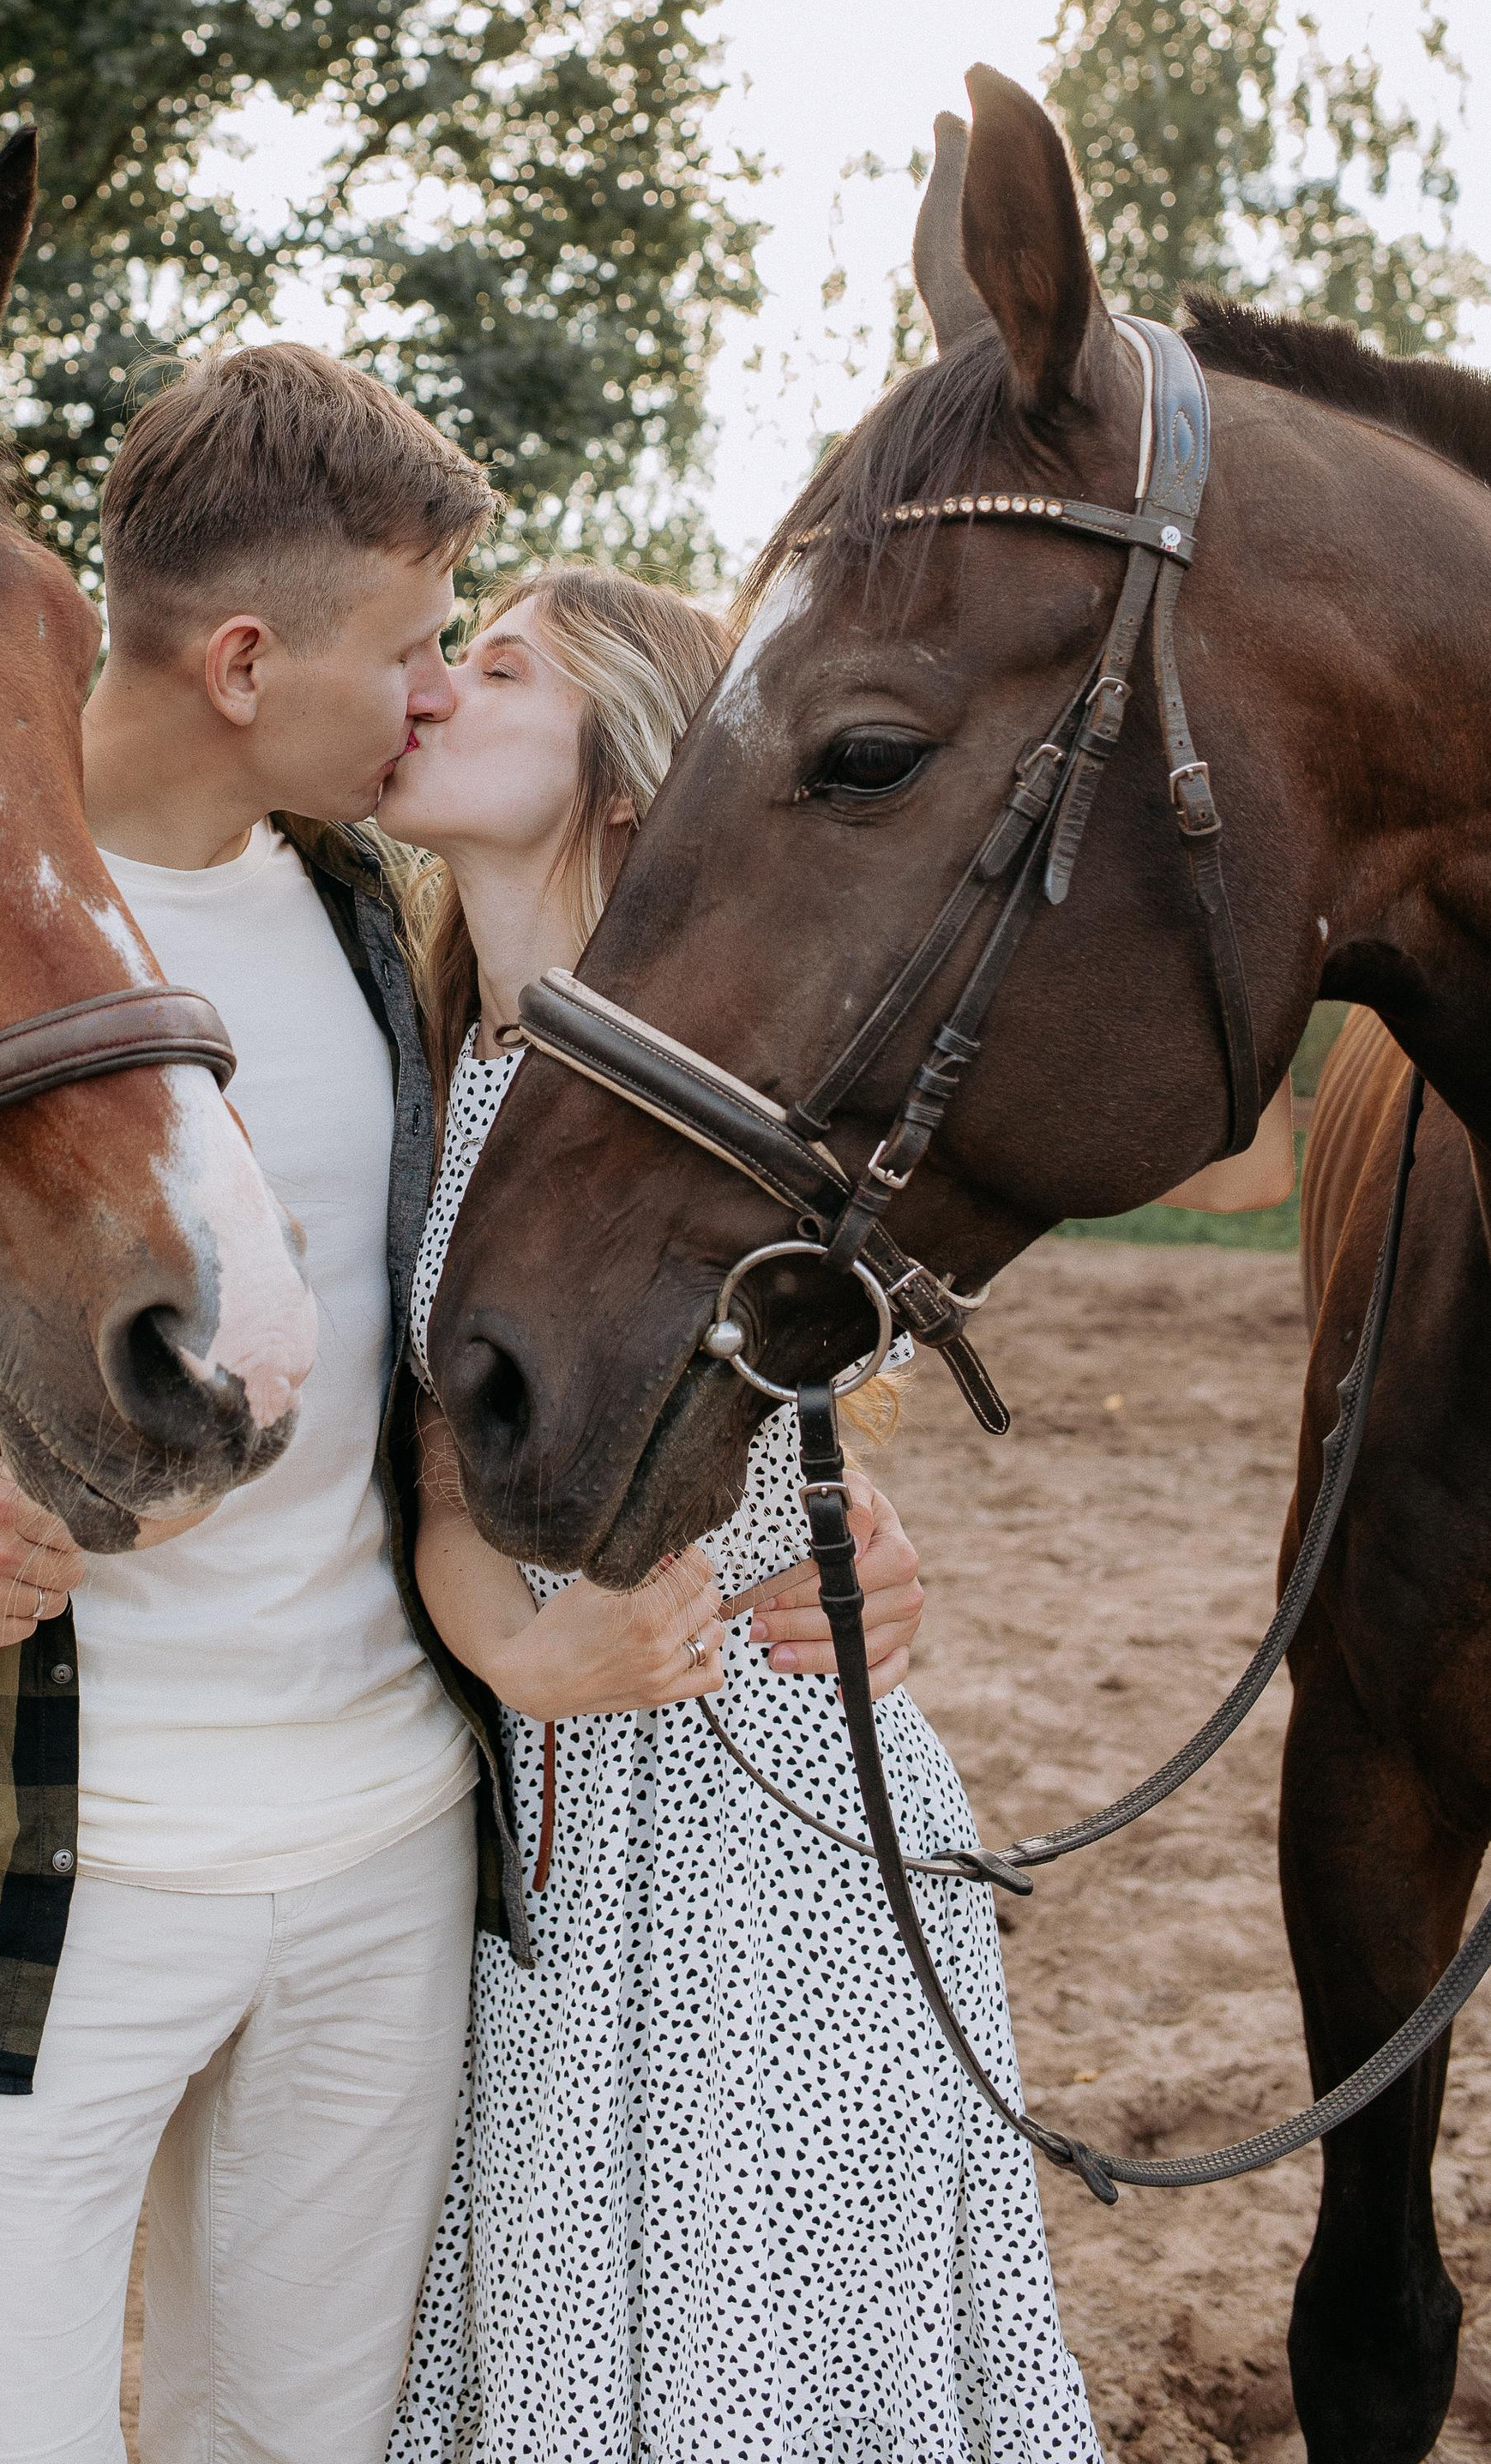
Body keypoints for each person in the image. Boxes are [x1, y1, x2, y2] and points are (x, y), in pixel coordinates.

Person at [0, 349, 925, 2464]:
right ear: (239, 659)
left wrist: (778, 1508)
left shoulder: (363, 927)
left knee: (299, 2438)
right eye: (410, 647)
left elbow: (479, 1349)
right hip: (31, 1874)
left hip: (386, 1851)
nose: (423, 698)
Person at [377, 565, 1103, 2464]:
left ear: (622, 769)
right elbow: (436, 1483)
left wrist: (861, 1530)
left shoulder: (749, 1096)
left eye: (496, 665)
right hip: (563, 1828)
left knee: (782, 2358)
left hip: (776, 1800)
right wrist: (523, 1656)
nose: (435, 690)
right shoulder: (430, 1076)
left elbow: (812, 1418)